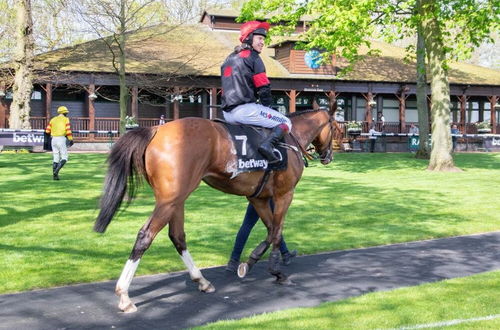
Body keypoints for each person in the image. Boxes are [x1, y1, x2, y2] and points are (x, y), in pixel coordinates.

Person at [220, 20, 292, 164]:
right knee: (286, 122)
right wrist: (267, 106)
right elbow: (263, 88)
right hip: (245, 111)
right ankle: (267, 146)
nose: (262, 42)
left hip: (227, 114)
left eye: (263, 39)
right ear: (249, 37)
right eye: (259, 38)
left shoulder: (229, 59)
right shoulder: (253, 58)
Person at [226, 201, 297, 274]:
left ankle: (233, 260)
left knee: (247, 225)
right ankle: (285, 254)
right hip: (268, 198)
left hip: (256, 197)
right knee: (274, 228)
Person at [45, 106, 74, 180]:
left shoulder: (53, 119)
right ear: (65, 113)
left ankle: (55, 176)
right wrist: (71, 139)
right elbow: (68, 130)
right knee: (64, 157)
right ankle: (56, 171)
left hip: (53, 139)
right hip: (61, 139)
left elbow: (47, 131)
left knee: (56, 158)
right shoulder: (66, 119)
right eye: (66, 112)